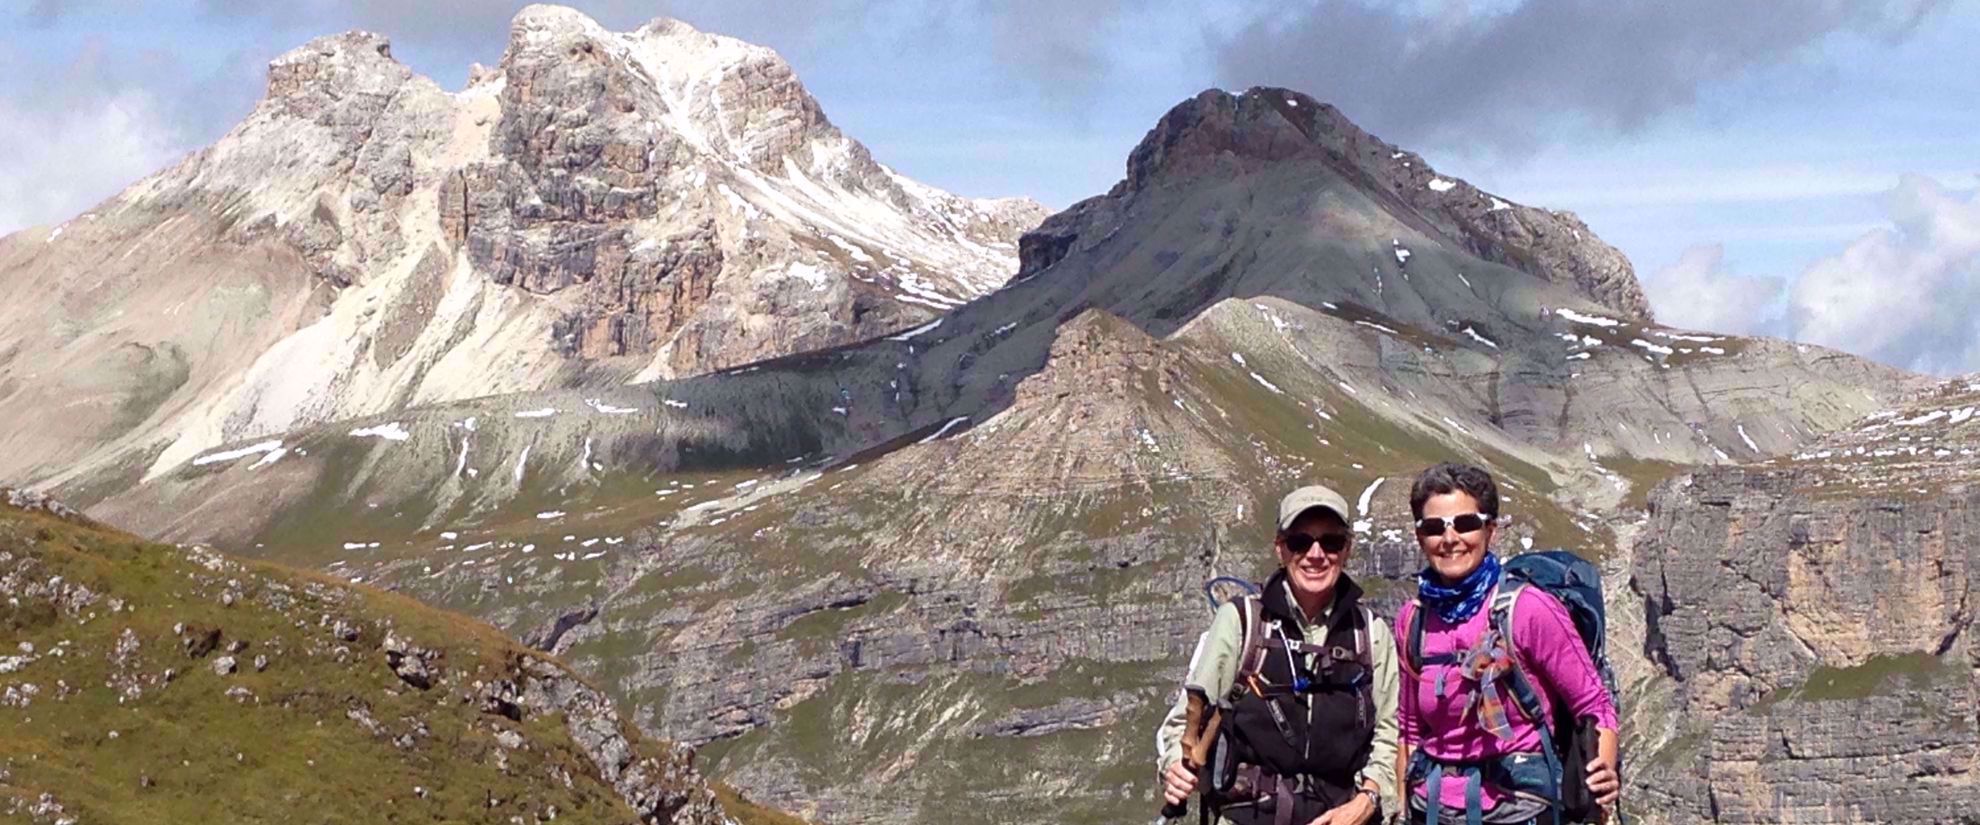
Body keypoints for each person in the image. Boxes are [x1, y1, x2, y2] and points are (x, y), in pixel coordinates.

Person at [1158, 484, 1398, 825]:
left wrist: (1368, 799)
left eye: (1331, 542)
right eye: (1300, 541)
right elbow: (1186, 720)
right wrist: (1174, 766)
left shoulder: (1371, 633)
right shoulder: (1240, 622)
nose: (1316, 554)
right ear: (1280, 549)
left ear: (1347, 550)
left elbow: (1391, 732)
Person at [1394, 463, 1619, 824]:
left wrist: (1601, 784)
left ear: (1491, 531)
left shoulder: (1528, 609)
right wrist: (1403, 811)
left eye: (1466, 523)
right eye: (1434, 527)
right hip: (1431, 809)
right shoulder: (1412, 619)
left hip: (1520, 809)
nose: (1450, 539)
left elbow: (1594, 704)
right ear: (1420, 537)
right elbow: (1409, 728)